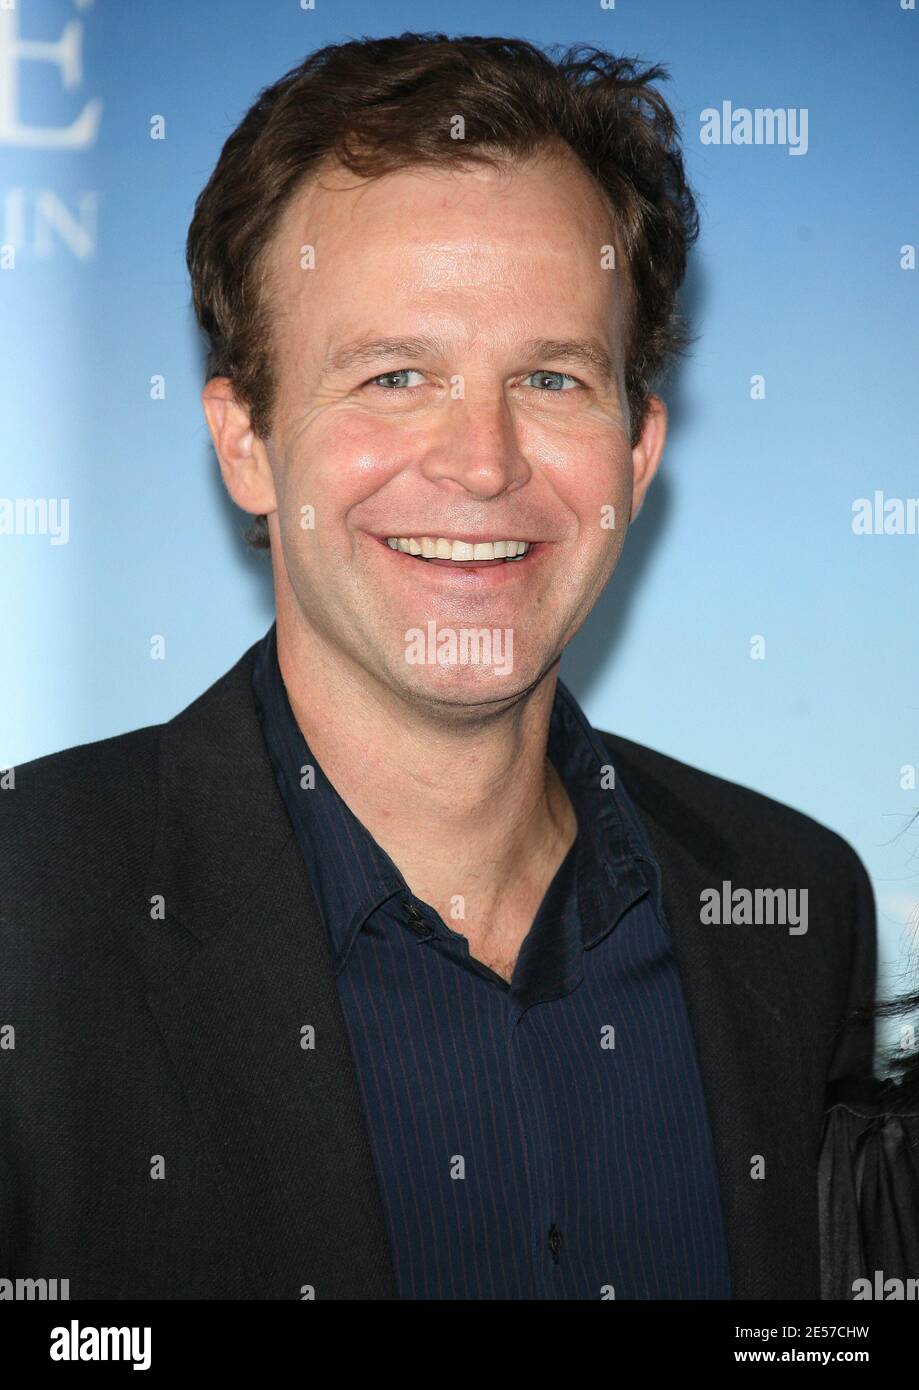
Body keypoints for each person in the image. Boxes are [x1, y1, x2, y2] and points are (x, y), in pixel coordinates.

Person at [0, 34, 877, 1300]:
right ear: (245, 440)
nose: (482, 460)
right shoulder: (30, 916)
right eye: (395, 374)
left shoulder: (794, 908)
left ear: (636, 455)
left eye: (551, 375)